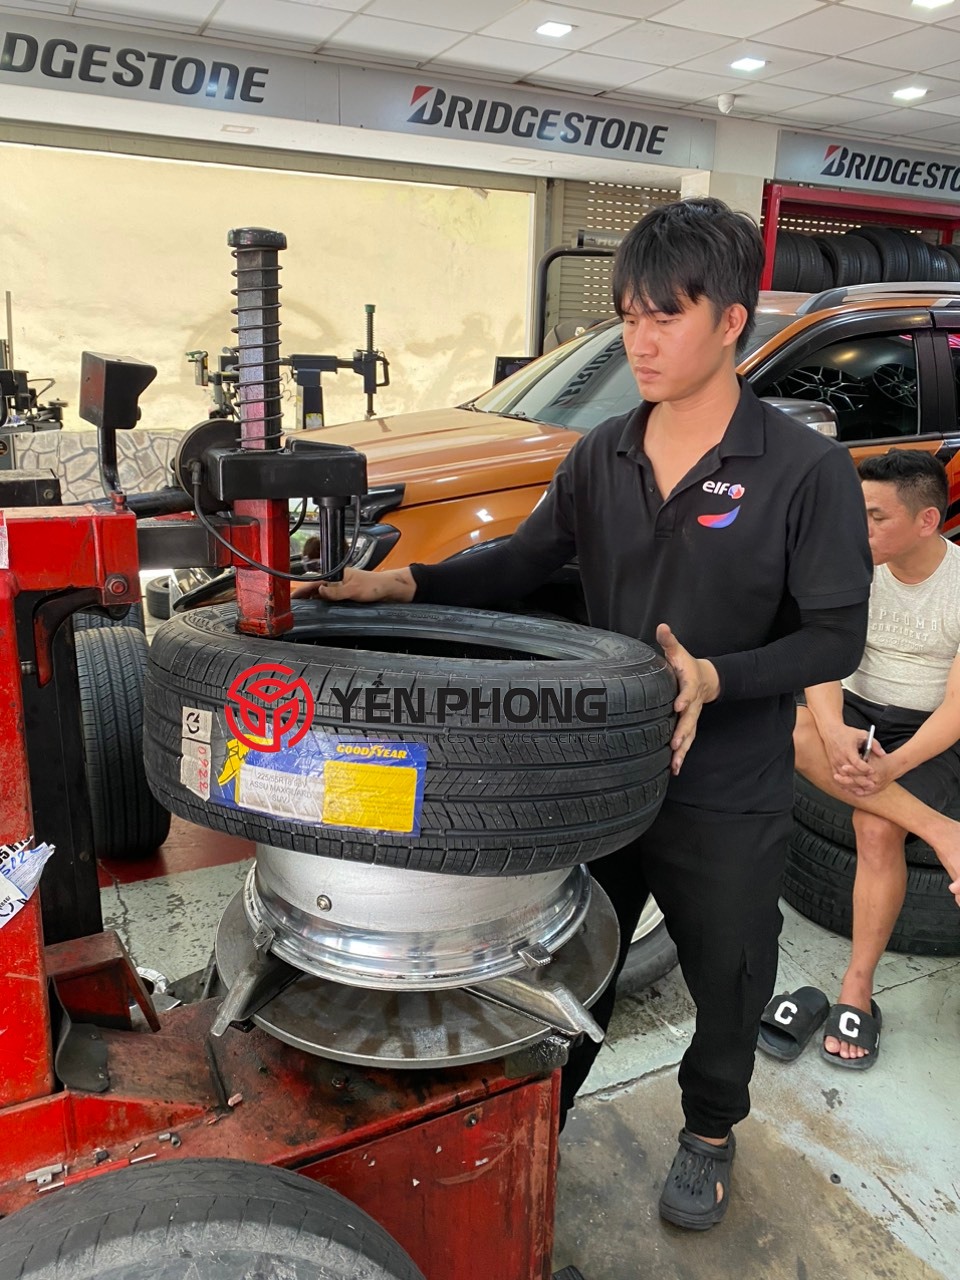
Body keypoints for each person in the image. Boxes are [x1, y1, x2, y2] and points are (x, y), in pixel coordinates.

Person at [301, 198, 872, 1229]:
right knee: (563, 957)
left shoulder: (805, 470)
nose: (639, 341)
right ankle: (542, 1120)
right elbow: (521, 563)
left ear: (731, 320)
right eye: (628, 316)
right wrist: (404, 583)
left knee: (729, 972)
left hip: (727, 785)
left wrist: (715, 677)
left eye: (666, 316)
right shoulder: (602, 452)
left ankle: (709, 1128)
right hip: (600, 775)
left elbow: (834, 638)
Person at [794, 450, 960, 1068]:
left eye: (875, 517)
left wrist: (893, 766)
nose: (858, 529)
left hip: (927, 730)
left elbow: (956, 708)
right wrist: (835, 731)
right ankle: (943, 832)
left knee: (874, 823)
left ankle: (857, 985)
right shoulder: (849, 568)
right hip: (853, 709)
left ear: (926, 521)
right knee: (788, 731)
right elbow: (820, 657)